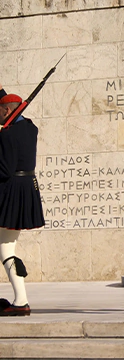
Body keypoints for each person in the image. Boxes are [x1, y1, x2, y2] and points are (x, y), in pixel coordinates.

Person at [0, 84, 44, 316]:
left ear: (7, 112)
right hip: (27, 189)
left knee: (6, 248)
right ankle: (19, 299)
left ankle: (21, 301)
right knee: (6, 246)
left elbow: (4, 170)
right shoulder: (31, 128)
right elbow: (16, 116)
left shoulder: (6, 135)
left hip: (10, 193)